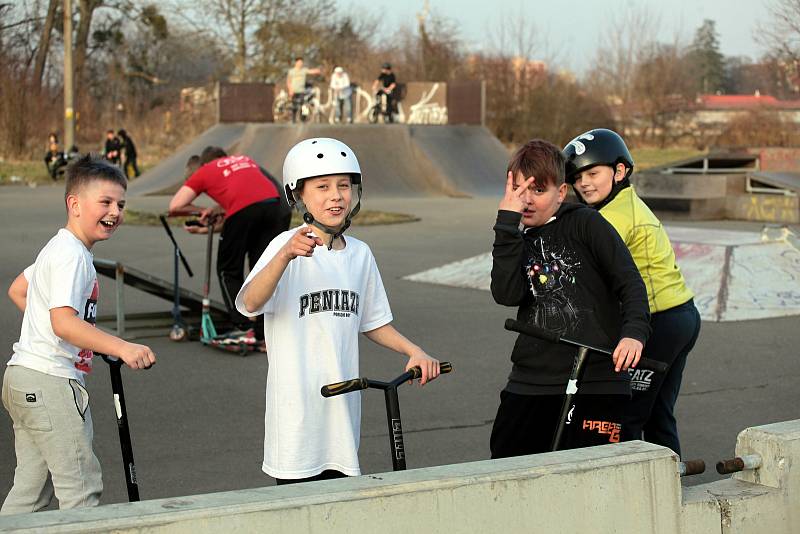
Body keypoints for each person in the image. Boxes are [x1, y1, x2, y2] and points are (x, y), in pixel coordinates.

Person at [234, 137, 440, 484]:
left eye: (344, 186)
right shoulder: (284, 247)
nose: (336, 195)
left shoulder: (360, 254)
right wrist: (284, 256)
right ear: (299, 195)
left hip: (343, 412)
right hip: (297, 415)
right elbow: (251, 304)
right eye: (322, 186)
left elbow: (373, 322)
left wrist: (414, 350)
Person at [1, 156, 156, 514]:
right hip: (51, 381)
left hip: (24, 377)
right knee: (81, 491)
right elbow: (64, 323)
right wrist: (122, 346)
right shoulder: (71, 256)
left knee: (30, 495)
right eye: (105, 202)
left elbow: (19, 291)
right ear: (74, 204)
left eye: (121, 204)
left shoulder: (58, 249)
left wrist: (76, 335)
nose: (115, 211)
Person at [489, 139, 650, 458]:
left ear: (561, 193)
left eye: (538, 190)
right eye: (519, 190)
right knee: (507, 464)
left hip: (597, 378)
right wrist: (505, 227)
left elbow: (630, 283)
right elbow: (506, 293)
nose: (527, 201)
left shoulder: (586, 223)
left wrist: (634, 334)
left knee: (595, 474)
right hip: (532, 379)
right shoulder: (516, 237)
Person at [563, 128, 701, 456]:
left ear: (620, 171)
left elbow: (584, 273)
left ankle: (633, 492)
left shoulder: (614, 218)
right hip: (681, 316)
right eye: (578, 177)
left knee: (626, 413)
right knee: (657, 413)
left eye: (594, 173)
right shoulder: (625, 205)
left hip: (658, 323)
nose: (585, 183)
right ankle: (669, 484)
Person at [168, 146, 291, 348]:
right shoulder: (243, 160)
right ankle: (264, 333)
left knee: (228, 269)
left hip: (247, 210)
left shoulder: (204, 171)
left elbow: (175, 206)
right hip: (276, 207)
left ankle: (243, 326)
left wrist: (203, 210)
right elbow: (248, 208)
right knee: (264, 270)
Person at [286, 57, 321, 123]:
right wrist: (290, 89)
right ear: (296, 63)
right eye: (299, 62)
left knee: (304, 105)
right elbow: (288, 81)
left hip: (301, 90)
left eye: (301, 62)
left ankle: (304, 118)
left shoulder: (304, 70)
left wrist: (317, 70)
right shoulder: (291, 71)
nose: (300, 64)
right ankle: (293, 119)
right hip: (294, 90)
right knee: (294, 105)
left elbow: (311, 71)